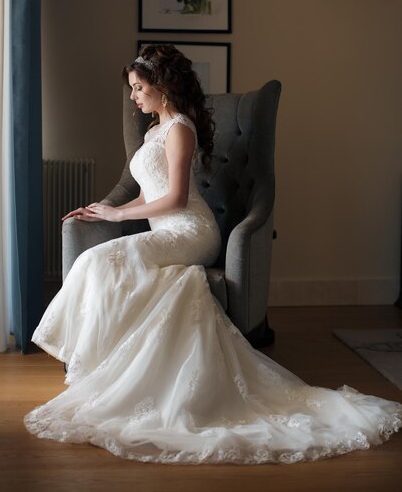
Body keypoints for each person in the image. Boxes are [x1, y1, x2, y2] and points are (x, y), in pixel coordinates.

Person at [24, 45, 401, 464]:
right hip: (166, 231)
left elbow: (175, 198)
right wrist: (104, 212)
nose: (133, 97)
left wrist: (117, 213)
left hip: (192, 231)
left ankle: (88, 366)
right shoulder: (151, 132)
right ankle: (104, 367)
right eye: (132, 89)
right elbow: (146, 193)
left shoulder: (179, 129)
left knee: (98, 261)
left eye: (138, 88)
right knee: (101, 263)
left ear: (161, 88)